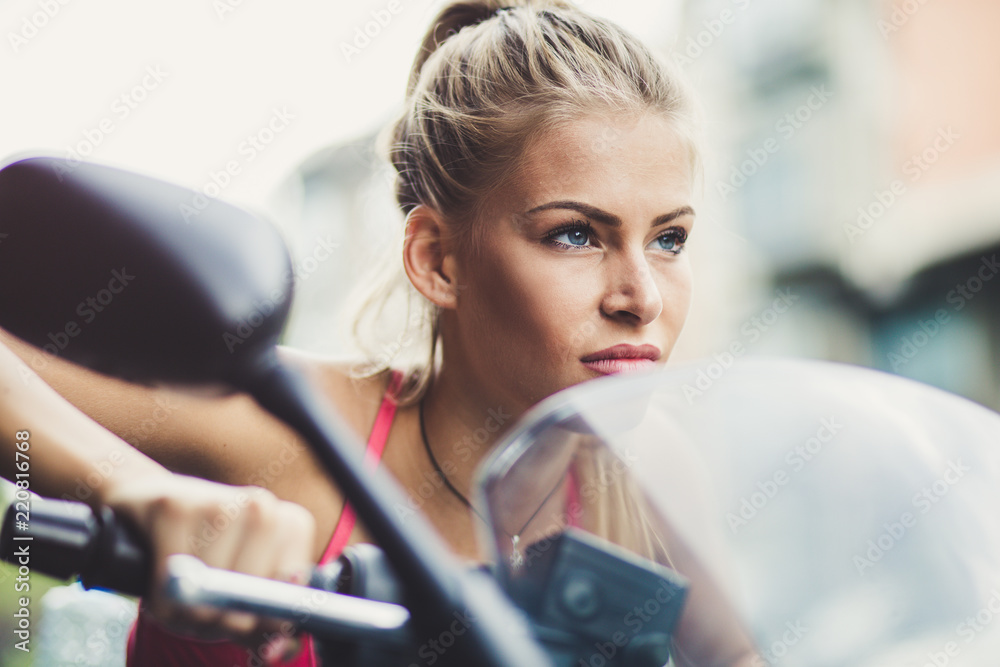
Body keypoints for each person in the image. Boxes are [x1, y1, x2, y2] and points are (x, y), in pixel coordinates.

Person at [1, 0, 760, 664]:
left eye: (669, 239)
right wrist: (130, 483)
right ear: (437, 260)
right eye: (574, 235)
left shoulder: (644, 471)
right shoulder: (293, 431)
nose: (643, 297)